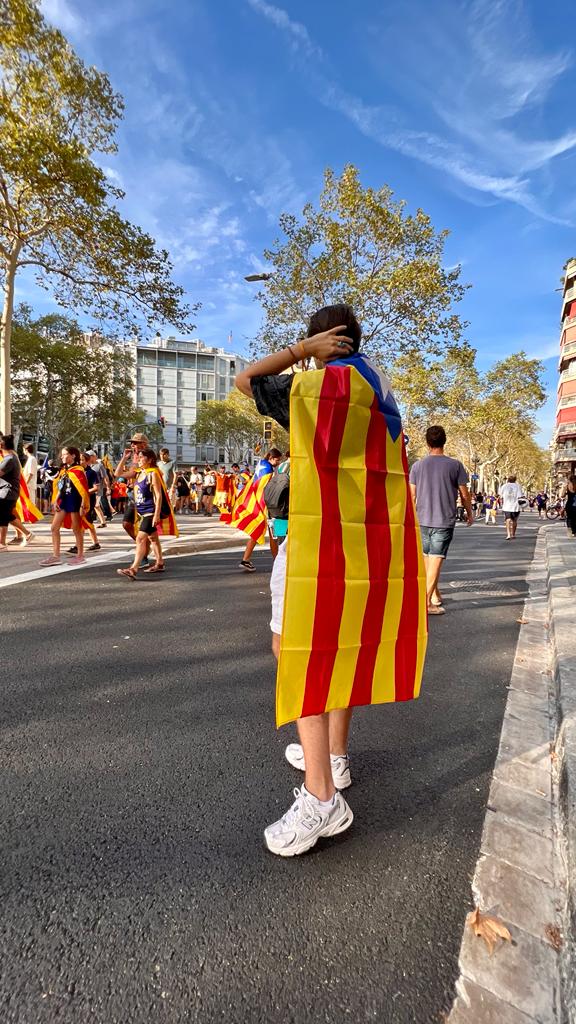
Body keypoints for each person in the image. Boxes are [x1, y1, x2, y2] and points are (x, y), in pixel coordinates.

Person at [236, 303, 427, 857]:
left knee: (298, 653)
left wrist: (300, 354)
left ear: (322, 343)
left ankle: (322, 797)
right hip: (364, 547)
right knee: (340, 647)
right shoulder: (380, 391)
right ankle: (335, 758)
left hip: (316, 542)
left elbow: (245, 380)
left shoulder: (316, 389)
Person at [409, 425, 473, 616]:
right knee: (436, 559)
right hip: (443, 520)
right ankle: (426, 603)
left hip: (422, 519)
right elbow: (465, 494)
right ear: (444, 441)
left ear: (427, 443)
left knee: (428, 559)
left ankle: (435, 595)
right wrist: (469, 513)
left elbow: (412, 496)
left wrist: (410, 518)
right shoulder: (455, 465)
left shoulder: (417, 466)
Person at [117, 448, 165, 579]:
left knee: (140, 539)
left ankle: (133, 569)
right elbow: (118, 473)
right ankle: (160, 563)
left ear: (150, 459)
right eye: (138, 456)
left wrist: (156, 514)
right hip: (141, 512)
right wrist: (124, 458)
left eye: (142, 457)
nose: (139, 459)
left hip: (150, 512)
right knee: (153, 538)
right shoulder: (138, 473)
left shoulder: (153, 473)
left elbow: (158, 495)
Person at [39, 446, 90, 566]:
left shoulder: (79, 470)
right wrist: (56, 500)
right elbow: (60, 487)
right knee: (54, 527)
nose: (62, 456)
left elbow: (83, 489)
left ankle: (80, 556)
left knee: (77, 529)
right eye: (62, 454)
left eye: (65, 454)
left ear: (73, 456)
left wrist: (83, 505)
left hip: (75, 501)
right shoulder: (64, 470)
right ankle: (56, 556)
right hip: (64, 500)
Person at [114, 433, 156, 567]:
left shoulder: (148, 458)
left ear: (143, 444)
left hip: (146, 498)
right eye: (131, 443)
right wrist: (124, 458)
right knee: (127, 524)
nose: (132, 445)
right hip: (133, 496)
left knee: (148, 532)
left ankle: (144, 555)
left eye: (135, 443)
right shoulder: (134, 457)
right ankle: (144, 548)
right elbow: (118, 474)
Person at [0, 434, 33, 550]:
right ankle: (26, 534)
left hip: (7, 492)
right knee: (6, 516)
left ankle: (3, 543)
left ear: (1, 445)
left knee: (4, 516)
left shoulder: (9, 459)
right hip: (7, 492)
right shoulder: (10, 457)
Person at [68, 452, 101, 554]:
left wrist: (84, 492)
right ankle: (93, 543)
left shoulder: (91, 473)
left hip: (88, 500)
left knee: (86, 521)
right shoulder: (76, 472)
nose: (80, 462)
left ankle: (81, 545)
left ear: (88, 461)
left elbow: (96, 487)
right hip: (77, 500)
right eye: (79, 460)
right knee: (82, 522)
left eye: (82, 460)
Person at [499, 475, 524, 539]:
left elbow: (500, 495)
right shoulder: (518, 486)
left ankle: (508, 534)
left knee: (508, 520)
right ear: (515, 480)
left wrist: (502, 502)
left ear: (508, 480)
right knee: (514, 520)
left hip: (507, 506)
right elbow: (520, 496)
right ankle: (513, 534)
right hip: (515, 506)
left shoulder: (504, 486)